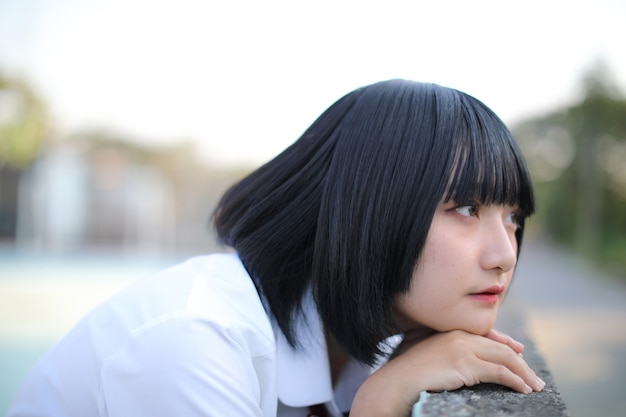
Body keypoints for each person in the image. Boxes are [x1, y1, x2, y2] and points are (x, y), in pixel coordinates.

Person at [6, 79, 544, 417]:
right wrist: (381, 403)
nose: (504, 253)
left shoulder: (369, 336)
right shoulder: (193, 344)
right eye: (467, 209)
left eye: (513, 216)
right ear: (368, 208)